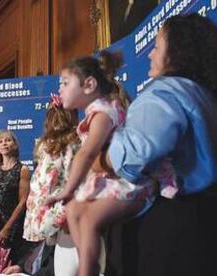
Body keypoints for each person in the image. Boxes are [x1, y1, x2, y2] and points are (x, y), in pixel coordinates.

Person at [98, 14, 217, 276]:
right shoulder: (208, 98)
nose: (150, 55)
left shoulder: (166, 93)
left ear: (176, 52)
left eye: (156, 47)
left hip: (173, 238)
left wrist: (100, 159)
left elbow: (131, 156)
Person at [48, 51, 177, 276]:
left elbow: (88, 154)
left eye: (65, 83)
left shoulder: (103, 113)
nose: (60, 88)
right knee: (74, 208)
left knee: (88, 218)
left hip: (128, 183)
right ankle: (87, 262)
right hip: (107, 182)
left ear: (89, 85)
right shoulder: (93, 114)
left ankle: (89, 269)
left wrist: (68, 189)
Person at [22, 96, 80, 275]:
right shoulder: (76, 142)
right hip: (67, 213)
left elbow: (40, 186)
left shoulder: (44, 145)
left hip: (49, 214)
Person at [0, 130, 30, 263]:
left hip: (12, 227)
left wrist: (7, 229)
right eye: (0, 141)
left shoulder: (23, 169)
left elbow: (23, 202)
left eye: (8, 140)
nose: (4, 143)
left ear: (14, 144)